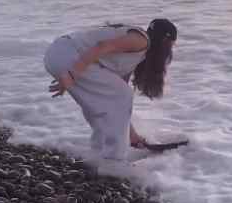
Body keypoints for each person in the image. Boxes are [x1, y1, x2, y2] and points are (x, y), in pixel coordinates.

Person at [44, 19, 177, 162]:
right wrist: (72, 74)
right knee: (122, 96)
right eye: (171, 45)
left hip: (61, 54)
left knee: (102, 104)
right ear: (165, 41)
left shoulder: (136, 54)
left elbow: (119, 106)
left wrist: (131, 135)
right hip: (69, 55)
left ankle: (98, 151)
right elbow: (103, 46)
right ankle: (114, 161)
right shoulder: (141, 40)